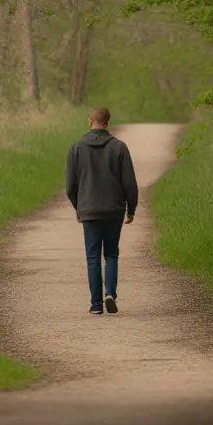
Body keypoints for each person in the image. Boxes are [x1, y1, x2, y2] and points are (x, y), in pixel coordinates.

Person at [65, 107, 138, 315]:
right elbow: (130, 184)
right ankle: (110, 293)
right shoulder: (119, 148)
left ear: (89, 120)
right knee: (112, 253)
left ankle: (96, 304)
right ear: (108, 123)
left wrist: (78, 207)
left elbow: (70, 186)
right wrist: (131, 208)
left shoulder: (76, 148)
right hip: (114, 210)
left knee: (93, 256)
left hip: (89, 210)